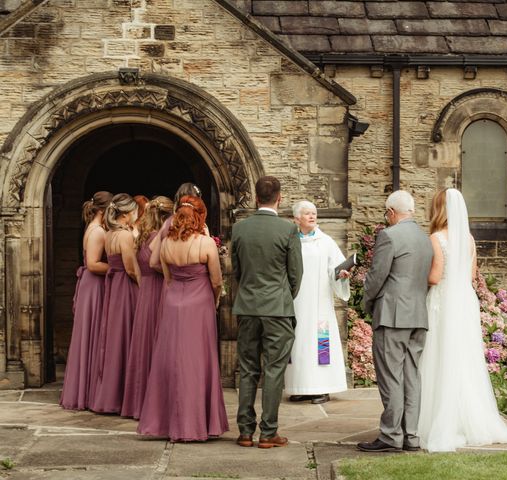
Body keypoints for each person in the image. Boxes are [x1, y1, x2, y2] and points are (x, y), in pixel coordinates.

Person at [417, 189, 507, 452]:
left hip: (443, 300)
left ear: (438, 210)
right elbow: (471, 275)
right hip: (464, 301)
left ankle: (439, 422)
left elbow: (434, 277)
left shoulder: (436, 238)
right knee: (464, 357)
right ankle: (473, 421)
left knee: (440, 356)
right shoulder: (468, 239)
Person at [138, 195, 228, 442]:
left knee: (170, 359)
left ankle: (168, 422)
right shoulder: (205, 243)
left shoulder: (165, 242)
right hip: (199, 304)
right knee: (197, 362)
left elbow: (164, 274)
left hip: (172, 301)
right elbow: (217, 280)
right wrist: (215, 298)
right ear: (200, 217)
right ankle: (197, 424)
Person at [357, 190, 433, 453]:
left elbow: (377, 277)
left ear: (391, 212)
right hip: (418, 316)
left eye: (385, 213)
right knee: (412, 376)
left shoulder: (389, 235)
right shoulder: (425, 239)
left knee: (390, 376)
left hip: (392, 315)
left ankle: (390, 435)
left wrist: (366, 303)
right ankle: (411, 436)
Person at [232, 176, 303, 449]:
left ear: (256, 198)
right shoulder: (288, 230)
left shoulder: (240, 229)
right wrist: (284, 297)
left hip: (247, 307)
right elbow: (296, 274)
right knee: (274, 370)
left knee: (248, 369)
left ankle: (245, 431)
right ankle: (268, 431)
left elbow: (236, 271)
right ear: (280, 198)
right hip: (277, 308)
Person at [284, 200, 349, 405]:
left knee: (321, 344)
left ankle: (322, 388)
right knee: (298, 343)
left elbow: (336, 268)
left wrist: (342, 274)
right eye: (307, 213)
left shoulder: (326, 241)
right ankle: (300, 387)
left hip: (320, 303)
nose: (312, 216)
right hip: (297, 302)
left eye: (314, 213)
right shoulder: (290, 240)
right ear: (296, 218)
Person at [121, 196, 173, 419]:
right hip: (160, 290)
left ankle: (137, 403)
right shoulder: (158, 237)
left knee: (143, 345)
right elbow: (161, 266)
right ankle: (156, 405)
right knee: (157, 345)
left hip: (145, 292)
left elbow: (137, 271)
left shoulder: (140, 236)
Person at [60, 191, 113, 410]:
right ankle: (88, 393)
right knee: (92, 334)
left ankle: (88, 391)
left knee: (91, 334)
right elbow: (92, 263)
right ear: (103, 210)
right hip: (94, 285)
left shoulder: (92, 228)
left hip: (91, 284)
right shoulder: (98, 231)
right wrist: (115, 268)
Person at [90, 193, 140, 414]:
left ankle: (110, 393)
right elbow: (130, 268)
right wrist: (144, 285)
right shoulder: (124, 236)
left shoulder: (109, 233)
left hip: (113, 284)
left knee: (113, 335)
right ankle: (122, 396)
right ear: (128, 213)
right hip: (125, 286)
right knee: (125, 335)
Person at [149, 183, 205, 272]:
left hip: (172, 283)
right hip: (196, 282)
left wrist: (173, 274)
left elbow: (153, 263)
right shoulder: (201, 226)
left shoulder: (167, 223)